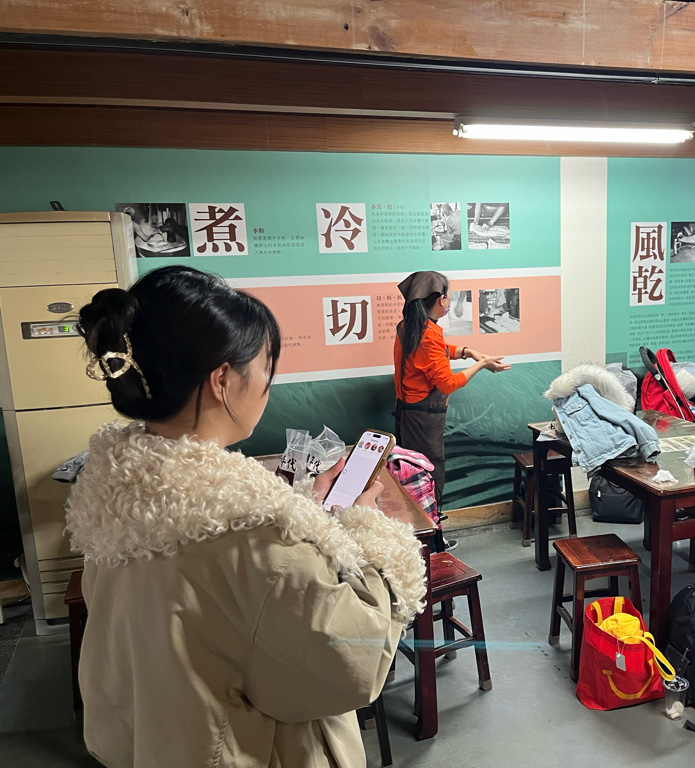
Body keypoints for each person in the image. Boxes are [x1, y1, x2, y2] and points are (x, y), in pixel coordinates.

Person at [65, 265, 426, 768]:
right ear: (222, 380)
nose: (267, 386)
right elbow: (353, 662)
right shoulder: (257, 537)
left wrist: (311, 517)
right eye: (265, 369)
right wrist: (368, 533)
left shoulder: (116, 497)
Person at [393, 271, 509, 549]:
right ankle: (433, 543)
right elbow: (447, 383)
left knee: (413, 476)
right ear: (437, 300)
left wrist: (467, 351)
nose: (449, 302)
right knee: (430, 477)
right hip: (424, 419)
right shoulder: (426, 334)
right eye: (447, 297)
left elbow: (436, 350)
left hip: (409, 413)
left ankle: (424, 538)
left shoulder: (410, 326)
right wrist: (481, 365)